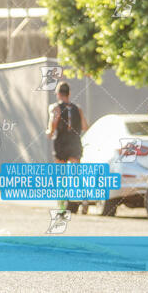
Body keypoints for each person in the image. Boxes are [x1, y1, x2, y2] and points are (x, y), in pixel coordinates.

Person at [46, 82, 88, 213]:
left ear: (58, 94)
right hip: (75, 142)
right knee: (76, 174)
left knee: (61, 175)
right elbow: (85, 126)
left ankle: (62, 205)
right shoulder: (78, 108)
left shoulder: (55, 108)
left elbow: (53, 124)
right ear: (69, 94)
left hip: (61, 143)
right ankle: (84, 201)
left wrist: (50, 132)